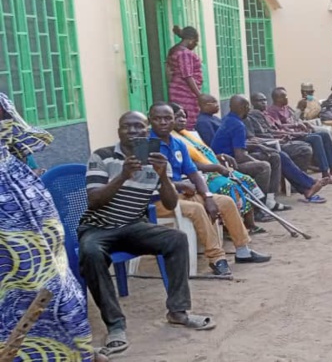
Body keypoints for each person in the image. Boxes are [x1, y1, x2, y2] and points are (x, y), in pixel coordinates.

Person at [79, 111, 217, 356]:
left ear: (147, 131)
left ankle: (178, 311)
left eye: (139, 128)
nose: (133, 132)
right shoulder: (102, 156)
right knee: (90, 252)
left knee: (176, 239)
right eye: (127, 127)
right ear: (119, 131)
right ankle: (115, 326)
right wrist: (122, 175)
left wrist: (164, 177)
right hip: (98, 227)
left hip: (133, 226)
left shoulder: (155, 159)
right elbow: (94, 200)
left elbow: (171, 203)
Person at [0, 94, 107, 361]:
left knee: (56, 296)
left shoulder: (12, 161)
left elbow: (22, 143)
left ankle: (77, 352)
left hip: (39, 243)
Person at [149, 103, 272, 276]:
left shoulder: (178, 143)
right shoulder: (147, 146)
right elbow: (147, 181)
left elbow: (194, 174)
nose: (163, 122)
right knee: (197, 209)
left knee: (225, 202)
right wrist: (180, 185)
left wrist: (207, 196)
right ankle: (216, 258)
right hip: (159, 201)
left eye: (167, 118)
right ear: (150, 120)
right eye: (157, 118)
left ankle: (243, 250)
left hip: (184, 194)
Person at [170, 103, 274, 231]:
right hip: (201, 175)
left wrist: (218, 157)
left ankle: (250, 223)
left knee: (246, 180)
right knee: (230, 187)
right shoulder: (172, 140)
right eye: (177, 116)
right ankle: (232, 228)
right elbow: (190, 165)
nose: (182, 119)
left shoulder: (188, 135)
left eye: (184, 116)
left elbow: (203, 154)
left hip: (214, 168)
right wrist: (216, 167)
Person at [211, 95, 327, 203]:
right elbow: (240, 155)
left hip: (227, 158)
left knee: (277, 154)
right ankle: (271, 200)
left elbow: (238, 144)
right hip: (230, 163)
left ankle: (306, 187)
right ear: (245, 107)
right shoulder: (238, 124)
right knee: (273, 158)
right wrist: (257, 159)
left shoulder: (228, 119)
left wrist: (259, 146)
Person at [266, 87, 332, 183]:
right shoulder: (272, 111)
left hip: (299, 132)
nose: (287, 98)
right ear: (278, 99)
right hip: (291, 136)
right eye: (285, 97)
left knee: (324, 134)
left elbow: (296, 118)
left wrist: (303, 123)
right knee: (316, 138)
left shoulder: (286, 108)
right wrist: (296, 125)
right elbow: (279, 126)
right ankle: (325, 174)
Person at [167, 25, 203, 130]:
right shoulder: (184, 53)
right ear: (191, 40)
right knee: (188, 120)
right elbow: (187, 75)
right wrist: (199, 96)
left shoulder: (174, 50)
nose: (195, 45)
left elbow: (168, 72)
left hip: (178, 89)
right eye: (196, 42)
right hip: (185, 92)